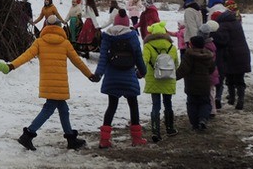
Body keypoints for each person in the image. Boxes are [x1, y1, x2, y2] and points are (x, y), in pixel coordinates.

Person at [11, 15, 96, 151]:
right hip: (60, 84)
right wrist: (89, 75)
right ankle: (28, 135)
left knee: (63, 109)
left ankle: (70, 138)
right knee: (50, 109)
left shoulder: (39, 42)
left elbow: (26, 55)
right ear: (59, 27)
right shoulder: (65, 43)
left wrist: (13, 65)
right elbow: (77, 61)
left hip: (47, 83)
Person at [91, 9, 148, 148]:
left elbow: (103, 58)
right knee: (133, 105)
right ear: (127, 22)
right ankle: (136, 138)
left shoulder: (107, 37)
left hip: (112, 77)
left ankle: (104, 140)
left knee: (111, 106)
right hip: (129, 76)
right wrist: (142, 71)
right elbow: (138, 57)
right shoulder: (132, 35)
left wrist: (98, 74)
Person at [142, 22, 179, 142]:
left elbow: (144, 61)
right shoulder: (172, 47)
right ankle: (170, 128)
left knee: (155, 106)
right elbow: (176, 63)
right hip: (168, 78)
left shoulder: (148, 46)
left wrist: (141, 72)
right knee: (168, 103)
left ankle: (155, 131)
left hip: (154, 79)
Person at [211, 8, 251, 110]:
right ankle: (240, 100)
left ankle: (232, 99)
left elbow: (223, 41)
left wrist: (212, 35)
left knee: (230, 77)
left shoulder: (223, 26)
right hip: (243, 53)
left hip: (231, 55)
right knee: (239, 78)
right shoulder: (236, 23)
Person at [177, 35, 215, 131]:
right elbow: (212, 69)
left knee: (192, 103)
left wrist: (174, 77)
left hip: (191, 84)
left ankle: (194, 124)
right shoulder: (208, 55)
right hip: (205, 83)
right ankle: (202, 119)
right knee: (205, 102)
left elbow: (184, 69)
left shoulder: (189, 55)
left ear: (192, 45)